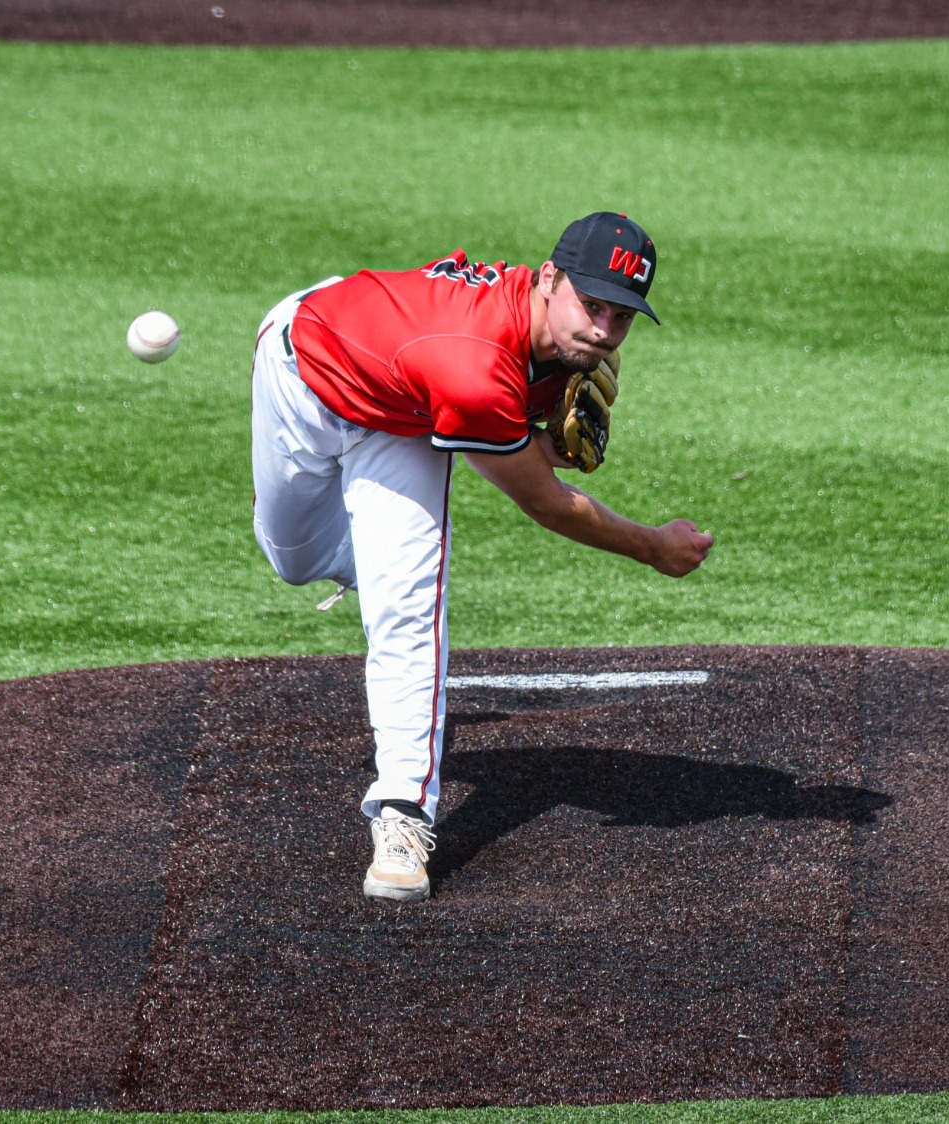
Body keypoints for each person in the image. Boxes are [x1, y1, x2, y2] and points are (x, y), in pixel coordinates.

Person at [248, 212, 713, 903]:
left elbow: (514, 406)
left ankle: (403, 815)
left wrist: (534, 417)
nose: (602, 331)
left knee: (407, 610)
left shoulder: (542, 331)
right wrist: (653, 546)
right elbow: (547, 502)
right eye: (591, 306)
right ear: (549, 279)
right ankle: (366, 565)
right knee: (292, 557)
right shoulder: (472, 369)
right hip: (302, 369)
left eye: (621, 317)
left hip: (398, 424)